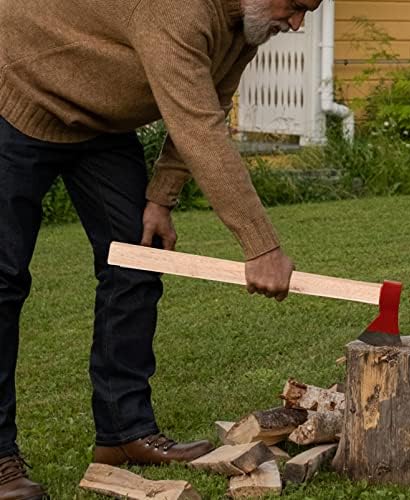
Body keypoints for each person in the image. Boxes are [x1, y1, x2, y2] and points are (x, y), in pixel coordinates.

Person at [0, 0, 321, 497]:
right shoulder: (178, 9)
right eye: (297, 4)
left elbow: (210, 103)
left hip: (102, 126)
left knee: (137, 262)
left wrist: (160, 199)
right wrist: (261, 247)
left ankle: (124, 433)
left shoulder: (246, 26)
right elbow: (199, 129)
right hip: (17, 98)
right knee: (4, 280)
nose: (299, 22)